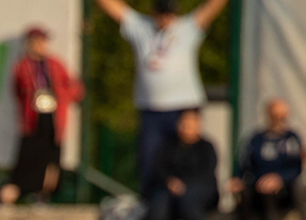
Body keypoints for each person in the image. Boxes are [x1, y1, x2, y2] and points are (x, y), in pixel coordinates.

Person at [93, 0, 230, 197]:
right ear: (154, 12)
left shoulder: (186, 27)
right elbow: (114, 8)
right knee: (150, 158)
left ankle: (192, 199)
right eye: (162, 13)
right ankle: (153, 202)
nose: (166, 19)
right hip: (151, 108)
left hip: (183, 106)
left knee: (187, 156)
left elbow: (210, 9)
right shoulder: (140, 26)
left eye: (170, 14)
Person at [0, 26, 82, 205]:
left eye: (42, 41)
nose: (40, 45)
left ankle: (44, 195)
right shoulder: (23, 66)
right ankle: (15, 192)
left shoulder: (55, 64)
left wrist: (63, 96)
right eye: (36, 42)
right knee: (28, 156)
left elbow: (75, 87)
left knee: (52, 160)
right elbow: (18, 91)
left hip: (53, 117)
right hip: (33, 118)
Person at [133, 108, 220, 220]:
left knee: (189, 202)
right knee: (159, 203)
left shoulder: (206, 147)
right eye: (184, 123)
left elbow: (207, 173)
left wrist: (186, 185)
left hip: (199, 191)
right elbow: (159, 169)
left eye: (191, 123)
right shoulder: (168, 146)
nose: (187, 127)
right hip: (170, 190)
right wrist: (171, 182)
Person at [230, 98, 306, 220]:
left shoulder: (291, 139)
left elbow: (297, 168)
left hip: (283, 188)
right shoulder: (256, 138)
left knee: (269, 195)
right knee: (244, 194)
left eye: (282, 116)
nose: (279, 119)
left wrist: (279, 179)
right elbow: (244, 164)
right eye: (275, 115)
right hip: (257, 184)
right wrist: (237, 179)